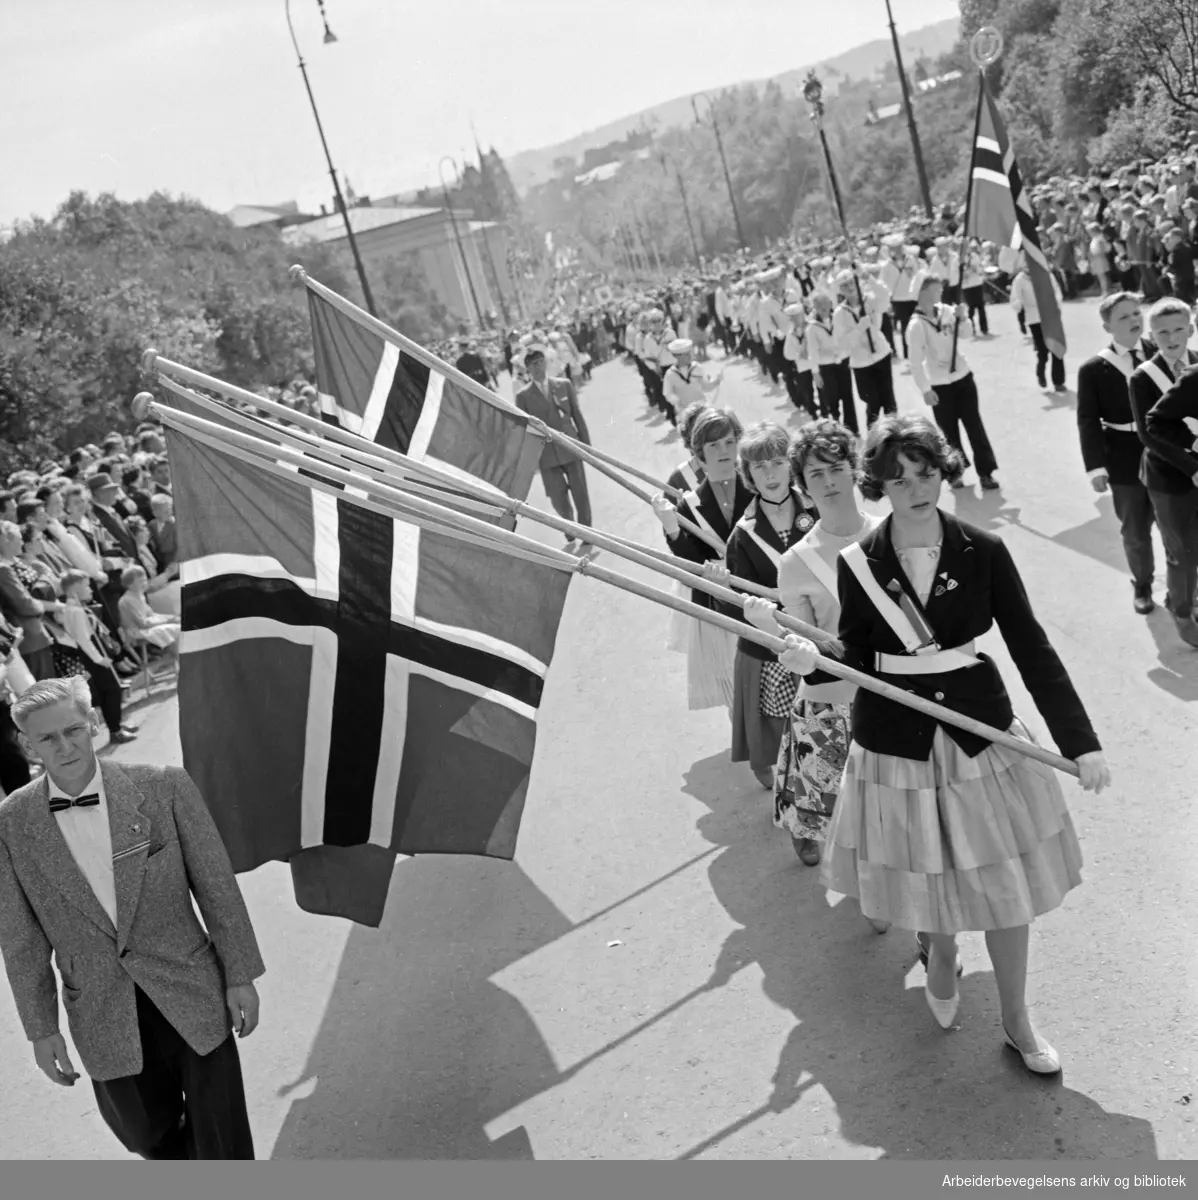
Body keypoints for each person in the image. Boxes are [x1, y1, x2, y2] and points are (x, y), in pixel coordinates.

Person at [777, 414, 1110, 1075]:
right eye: (897, 480)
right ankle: (940, 951)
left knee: (1005, 881)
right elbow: (860, 656)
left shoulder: (982, 549)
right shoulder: (859, 565)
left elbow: (1030, 645)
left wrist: (1082, 741)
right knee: (925, 871)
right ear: (880, 485)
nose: (915, 489)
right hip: (895, 738)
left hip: (976, 730)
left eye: (925, 473)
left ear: (943, 471)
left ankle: (1016, 1020)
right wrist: (806, 658)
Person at [0, 677, 265, 1157]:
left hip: (190, 985)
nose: (66, 746)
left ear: (94, 722)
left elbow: (216, 886)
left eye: (74, 730)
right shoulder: (11, 822)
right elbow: (20, 940)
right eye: (48, 738)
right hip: (100, 1008)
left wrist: (240, 972)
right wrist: (42, 1028)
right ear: (25, 744)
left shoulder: (161, 785)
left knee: (222, 1136)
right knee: (149, 1139)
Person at [741, 419, 882, 867]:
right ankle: (810, 824)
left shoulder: (891, 532)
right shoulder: (795, 563)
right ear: (802, 483)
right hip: (832, 699)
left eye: (836, 468)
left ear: (855, 470)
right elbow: (805, 651)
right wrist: (786, 645)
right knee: (821, 806)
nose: (828, 482)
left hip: (896, 694)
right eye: (815, 474)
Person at [722, 423, 818, 790]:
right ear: (747, 474)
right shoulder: (742, 535)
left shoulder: (818, 512)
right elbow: (732, 609)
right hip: (774, 644)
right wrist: (728, 592)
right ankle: (791, 784)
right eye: (759, 467)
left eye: (778, 462)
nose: (770, 474)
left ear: (791, 466)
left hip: (822, 632)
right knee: (783, 724)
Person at [652, 407, 753, 712]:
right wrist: (672, 527)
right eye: (713, 446)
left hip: (761, 596)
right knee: (732, 679)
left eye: (728, 442)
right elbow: (690, 561)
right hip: (717, 602)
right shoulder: (689, 505)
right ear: (699, 453)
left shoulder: (759, 487)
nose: (723, 451)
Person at [1076, 292, 1159, 615]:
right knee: (1135, 528)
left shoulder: (1160, 352)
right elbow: (1087, 420)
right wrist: (1095, 467)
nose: (1134, 320)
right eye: (1123, 317)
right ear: (1107, 326)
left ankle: (1183, 586)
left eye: (1137, 313)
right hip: (1123, 456)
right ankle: (1142, 582)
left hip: (1165, 452)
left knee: (1176, 525)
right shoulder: (1094, 369)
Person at [1129, 299, 1198, 646]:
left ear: (1190, 329)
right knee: (1180, 550)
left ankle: (1187, 595)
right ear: (1151, 336)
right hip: (1168, 477)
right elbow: (1147, 431)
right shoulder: (1143, 377)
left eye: (1178, 329)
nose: (1172, 338)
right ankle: (1181, 608)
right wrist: (1192, 466)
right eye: (1162, 332)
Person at [906, 275, 1000, 492]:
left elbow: (966, 334)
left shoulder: (947, 311)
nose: (941, 292)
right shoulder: (916, 325)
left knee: (975, 427)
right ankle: (955, 473)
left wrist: (963, 318)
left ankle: (986, 472)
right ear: (923, 292)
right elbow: (915, 362)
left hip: (963, 377)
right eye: (936, 288)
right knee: (949, 433)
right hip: (940, 385)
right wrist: (925, 389)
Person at [514, 346, 595, 556]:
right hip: (546, 454)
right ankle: (569, 527)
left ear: (546, 362)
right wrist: (530, 461)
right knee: (558, 498)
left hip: (570, 446)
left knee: (580, 493)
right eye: (533, 364)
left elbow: (577, 415)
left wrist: (586, 445)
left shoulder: (563, 385)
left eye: (540, 361)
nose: (538, 366)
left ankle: (586, 532)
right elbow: (525, 431)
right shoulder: (523, 396)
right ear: (527, 370)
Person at [52, 571, 137, 744]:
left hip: (92, 652)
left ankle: (117, 725)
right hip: (91, 654)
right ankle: (116, 730)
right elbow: (83, 638)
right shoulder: (75, 611)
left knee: (109, 690)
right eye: (86, 586)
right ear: (75, 590)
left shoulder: (75, 608)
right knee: (111, 690)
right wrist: (99, 659)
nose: (91, 590)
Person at [832, 272, 895, 430]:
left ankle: (896, 435)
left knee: (889, 400)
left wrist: (870, 278)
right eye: (844, 285)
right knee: (872, 401)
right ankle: (874, 437)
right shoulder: (839, 313)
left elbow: (886, 297)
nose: (850, 288)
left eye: (851, 283)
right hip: (861, 363)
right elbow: (841, 343)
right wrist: (859, 329)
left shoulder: (871, 299)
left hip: (881, 354)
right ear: (840, 290)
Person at [1011, 254, 1066, 392]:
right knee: (1042, 351)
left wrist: (1056, 303)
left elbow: (1056, 291)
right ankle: (1040, 372)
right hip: (1034, 318)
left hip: (1050, 315)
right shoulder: (1019, 280)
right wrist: (1019, 304)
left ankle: (1058, 381)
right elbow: (1015, 299)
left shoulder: (1045, 274)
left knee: (1056, 349)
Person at [661, 339, 720, 425]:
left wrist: (716, 381)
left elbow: (706, 387)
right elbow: (667, 393)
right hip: (684, 413)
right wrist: (676, 401)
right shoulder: (670, 374)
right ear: (677, 356)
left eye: (689, 352)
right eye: (686, 354)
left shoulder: (697, 367)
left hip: (703, 409)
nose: (690, 356)